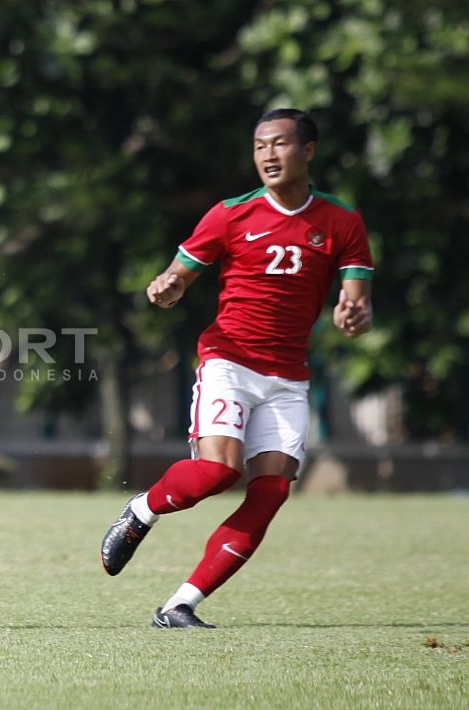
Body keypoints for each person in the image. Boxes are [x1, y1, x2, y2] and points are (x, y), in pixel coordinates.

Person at [100, 109, 374, 628]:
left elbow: (357, 305)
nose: (268, 155)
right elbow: (177, 276)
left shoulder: (342, 222)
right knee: (217, 472)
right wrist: (167, 288)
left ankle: (180, 604)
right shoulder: (230, 214)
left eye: (280, 144)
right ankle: (142, 510)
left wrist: (355, 314)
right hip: (229, 361)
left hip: (289, 378)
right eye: (259, 146)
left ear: (308, 151)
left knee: (270, 493)